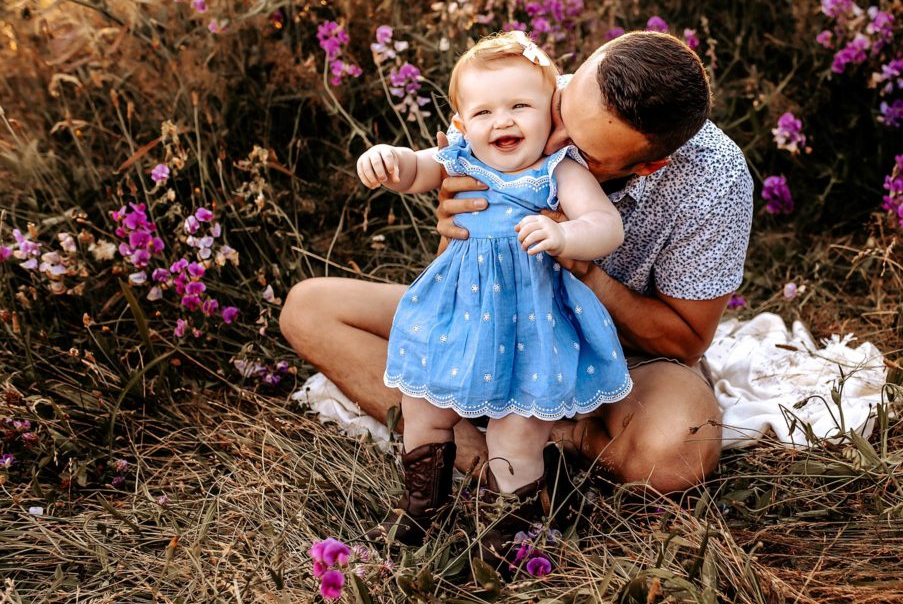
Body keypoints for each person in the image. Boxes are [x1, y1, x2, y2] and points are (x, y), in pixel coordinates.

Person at [281, 30, 752, 499]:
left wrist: (586, 270)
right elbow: (456, 268)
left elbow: (686, 342)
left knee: (675, 453)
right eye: (561, 110)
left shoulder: (716, 180)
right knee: (309, 309)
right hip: (491, 319)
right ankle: (502, 466)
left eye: (583, 150)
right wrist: (454, 218)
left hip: (620, 356)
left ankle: (548, 438)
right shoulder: (516, 99)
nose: (552, 142)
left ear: (648, 165)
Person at [355, 32, 633, 562]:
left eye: (520, 106)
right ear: (461, 123)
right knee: (423, 408)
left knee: (517, 432)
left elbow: (607, 225)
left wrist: (566, 236)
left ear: (551, 116)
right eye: (483, 111)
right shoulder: (460, 158)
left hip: (529, 322)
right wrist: (387, 159)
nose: (501, 121)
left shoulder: (559, 169)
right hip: (455, 314)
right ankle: (423, 508)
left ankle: (516, 530)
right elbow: (416, 169)